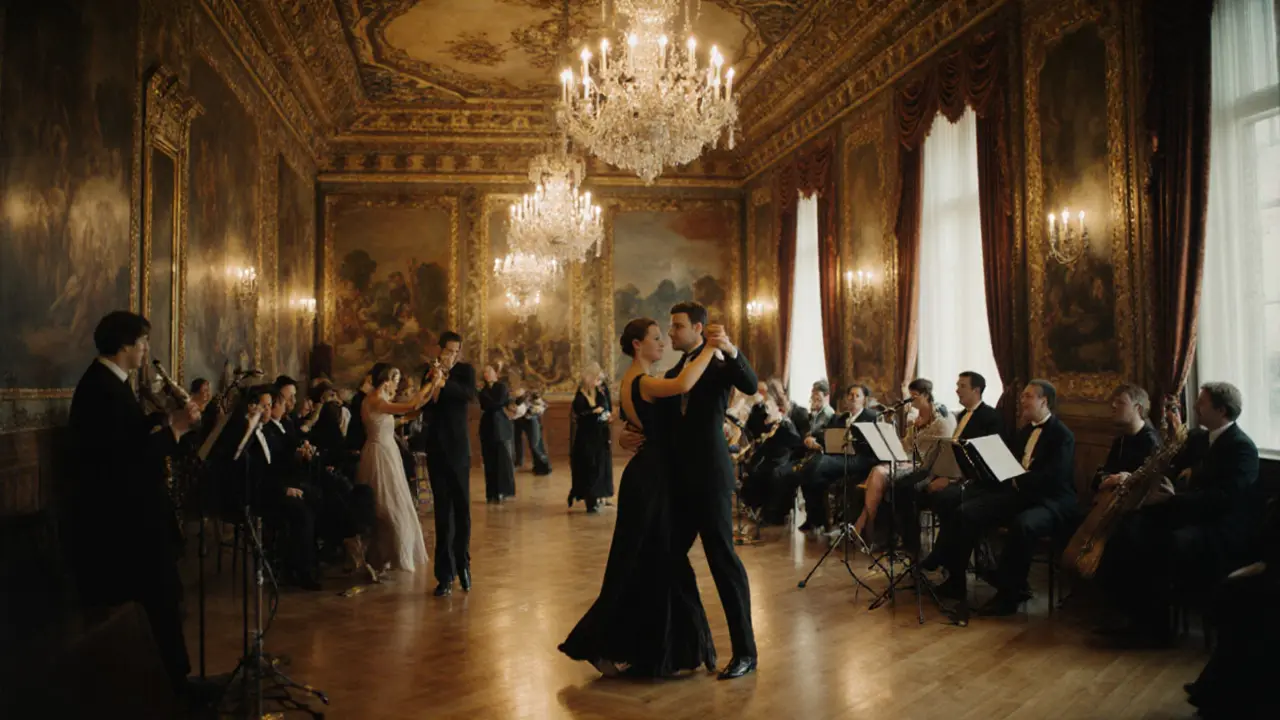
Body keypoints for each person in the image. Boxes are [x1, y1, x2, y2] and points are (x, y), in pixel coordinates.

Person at [560, 317, 722, 678]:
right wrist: (711, 345)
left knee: (656, 563)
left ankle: (665, 649)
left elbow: (643, 423)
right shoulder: (645, 381)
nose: (662, 343)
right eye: (654, 338)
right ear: (637, 345)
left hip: (653, 474)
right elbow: (684, 383)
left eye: (664, 337)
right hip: (650, 479)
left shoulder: (635, 380)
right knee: (643, 563)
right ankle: (611, 645)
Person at [622, 302, 761, 680]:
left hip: (711, 475)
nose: (671, 334)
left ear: (698, 328)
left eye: (677, 327)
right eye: (669, 328)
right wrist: (629, 435)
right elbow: (662, 423)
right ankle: (671, 649)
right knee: (663, 556)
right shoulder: (675, 369)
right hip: (679, 479)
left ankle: (746, 653)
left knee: (722, 559)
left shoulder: (717, 362)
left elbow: (749, 384)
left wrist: (731, 349)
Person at [66, 311, 202, 696]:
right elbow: (125, 459)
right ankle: (174, 688)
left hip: (134, 516)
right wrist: (173, 429)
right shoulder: (101, 388)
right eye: (142, 342)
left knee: (165, 599)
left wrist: (160, 420)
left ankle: (174, 682)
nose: (145, 350)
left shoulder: (111, 383)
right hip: (126, 523)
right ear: (124, 345)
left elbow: (124, 438)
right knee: (160, 600)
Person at [1097, 382, 1260, 647]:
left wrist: (1176, 498)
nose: (1195, 406)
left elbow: (1225, 499)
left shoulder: (1242, 448)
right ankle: (1135, 616)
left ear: (1221, 410)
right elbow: (1172, 469)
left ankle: (1158, 629)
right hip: (1186, 512)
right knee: (1129, 527)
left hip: (1220, 526)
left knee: (1163, 544)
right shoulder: (1197, 438)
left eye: (1202, 403)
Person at [923, 380, 1076, 616]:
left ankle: (1010, 594)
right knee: (966, 510)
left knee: (1024, 525)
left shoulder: (1062, 435)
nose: (1022, 401)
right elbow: (1008, 462)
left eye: (1028, 397)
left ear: (1044, 401)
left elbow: (1054, 477)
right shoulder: (1024, 431)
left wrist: (1016, 478)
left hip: (1049, 499)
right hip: (1019, 493)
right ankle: (957, 580)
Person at [851, 378, 955, 547]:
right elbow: (903, 447)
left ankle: (866, 529)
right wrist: (893, 428)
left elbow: (942, 453)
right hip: (909, 463)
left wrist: (910, 460)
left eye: (914, 396)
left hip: (928, 469)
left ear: (926, 396)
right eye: (910, 396)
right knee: (877, 472)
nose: (911, 400)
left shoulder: (941, 422)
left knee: (877, 474)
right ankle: (871, 531)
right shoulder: (915, 421)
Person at [356, 365, 431, 582]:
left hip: (386, 451)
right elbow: (410, 405)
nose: (397, 385)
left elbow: (401, 413)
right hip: (380, 455)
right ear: (386, 380)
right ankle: (386, 556)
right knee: (387, 504)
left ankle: (385, 557)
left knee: (393, 501)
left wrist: (409, 414)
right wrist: (431, 384)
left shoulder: (378, 401)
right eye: (396, 380)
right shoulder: (376, 400)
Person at [423, 331, 477, 597]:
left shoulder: (465, 371)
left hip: (458, 450)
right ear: (440, 349)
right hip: (436, 449)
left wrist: (445, 384)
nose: (452, 355)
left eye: (456, 351)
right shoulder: (429, 372)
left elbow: (469, 395)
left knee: (462, 510)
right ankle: (444, 575)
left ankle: (463, 566)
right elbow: (426, 408)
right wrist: (433, 385)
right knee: (442, 512)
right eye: (449, 351)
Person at [791, 383, 880, 533]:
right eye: (850, 395)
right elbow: (826, 433)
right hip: (839, 458)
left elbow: (874, 444)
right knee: (811, 475)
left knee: (817, 463)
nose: (853, 398)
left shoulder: (871, 417)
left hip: (859, 459)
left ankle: (819, 519)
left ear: (864, 400)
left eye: (857, 396)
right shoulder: (841, 417)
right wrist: (813, 439)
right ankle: (816, 519)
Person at [1091, 383, 1162, 493]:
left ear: (1138, 409)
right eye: (1114, 401)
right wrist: (1110, 480)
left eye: (1120, 402)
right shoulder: (1121, 440)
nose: (1113, 405)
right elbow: (1099, 478)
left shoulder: (1151, 442)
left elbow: (1146, 488)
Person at [569, 363, 614, 513]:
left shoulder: (600, 391)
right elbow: (579, 413)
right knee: (589, 466)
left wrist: (605, 413)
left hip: (600, 434)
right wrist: (594, 412)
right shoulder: (580, 395)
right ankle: (591, 499)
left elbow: (607, 407)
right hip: (586, 437)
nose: (598, 381)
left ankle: (601, 495)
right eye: (596, 378)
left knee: (602, 465)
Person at [478, 364, 517, 504]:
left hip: (501, 426)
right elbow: (485, 404)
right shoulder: (482, 390)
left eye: (489, 371)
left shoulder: (501, 387)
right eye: (485, 372)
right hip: (487, 427)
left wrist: (491, 403)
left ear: (496, 374)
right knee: (489, 461)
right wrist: (492, 403)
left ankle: (504, 491)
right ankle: (492, 492)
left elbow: (499, 402)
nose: (487, 374)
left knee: (503, 460)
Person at [511, 377, 552, 475]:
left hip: (531, 419)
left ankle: (543, 466)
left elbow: (542, 405)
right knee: (516, 442)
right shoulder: (511, 393)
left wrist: (532, 410)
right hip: (517, 419)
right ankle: (517, 463)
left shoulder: (532, 394)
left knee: (535, 443)